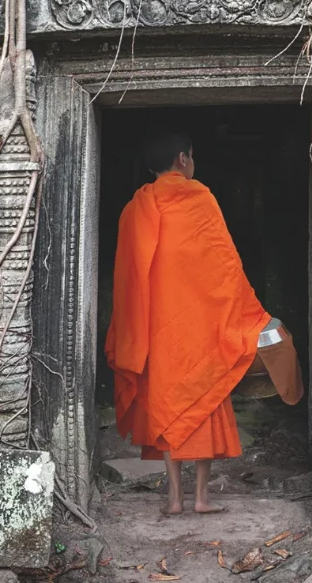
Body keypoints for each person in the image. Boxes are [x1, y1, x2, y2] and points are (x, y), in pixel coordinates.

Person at [105, 131, 269, 515]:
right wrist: (249, 314)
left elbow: (126, 280)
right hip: (200, 327)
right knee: (205, 399)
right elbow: (224, 267)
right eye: (192, 157)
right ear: (183, 158)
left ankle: (174, 499)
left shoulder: (134, 210)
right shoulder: (200, 198)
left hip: (156, 332)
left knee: (166, 405)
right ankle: (201, 498)